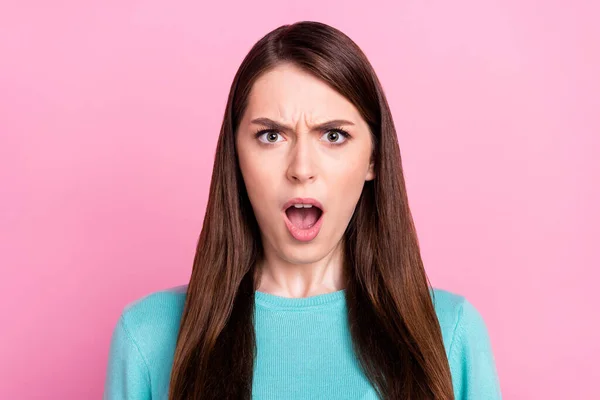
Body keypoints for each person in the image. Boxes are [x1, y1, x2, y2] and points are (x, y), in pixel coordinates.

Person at [103, 21, 502, 400]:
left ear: (373, 159)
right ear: (235, 156)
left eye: (333, 135)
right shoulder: (148, 337)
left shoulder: (451, 334)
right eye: (271, 136)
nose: (301, 169)